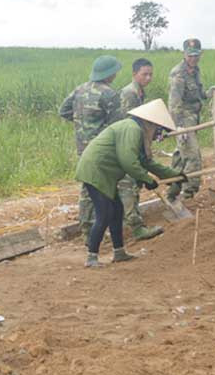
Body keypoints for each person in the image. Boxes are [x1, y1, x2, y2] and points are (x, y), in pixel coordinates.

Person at [75, 99, 185, 268]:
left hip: (105, 174)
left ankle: (119, 252)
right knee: (104, 213)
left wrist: (175, 175)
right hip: (96, 171)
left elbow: (147, 162)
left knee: (117, 211)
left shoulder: (136, 132)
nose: (158, 134)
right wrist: (147, 179)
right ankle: (91, 257)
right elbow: (128, 161)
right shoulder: (132, 129)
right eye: (158, 129)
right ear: (150, 123)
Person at [59, 55, 123, 236]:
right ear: (109, 74)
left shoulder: (79, 89)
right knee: (106, 185)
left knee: (88, 185)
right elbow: (116, 126)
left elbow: (63, 111)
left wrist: (81, 121)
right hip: (101, 148)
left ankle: (86, 226)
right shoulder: (110, 94)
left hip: (83, 147)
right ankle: (108, 227)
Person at [116, 58, 163, 241]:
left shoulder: (139, 92)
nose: (148, 78)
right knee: (130, 185)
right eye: (145, 74)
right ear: (135, 74)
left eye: (150, 74)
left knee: (132, 184)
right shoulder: (130, 93)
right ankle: (135, 227)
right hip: (128, 143)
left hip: (134, 141)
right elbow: (130, 122)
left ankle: (124, 221)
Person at [167, 38, 215, 202]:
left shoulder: (195, 70)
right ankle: (189, 194)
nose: (193, 59)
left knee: (181, 156)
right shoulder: (178, 74)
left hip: (193, 119)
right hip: (183, 121)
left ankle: (172, 191)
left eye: (196, 55)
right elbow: (174, 104)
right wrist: (179, 127)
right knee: (193, 156)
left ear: (200, 54)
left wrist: (209, 93)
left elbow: (199, 94)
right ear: (184, 54)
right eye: (190, 56)